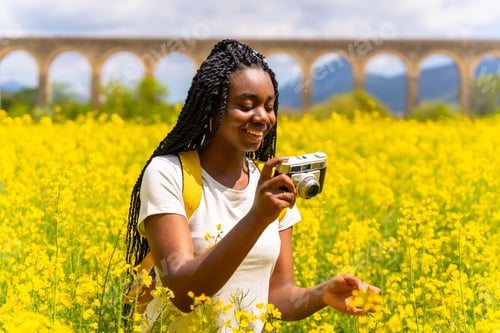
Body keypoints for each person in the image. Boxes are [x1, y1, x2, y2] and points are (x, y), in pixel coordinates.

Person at [125, 39, 381, 332]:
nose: (262, 117)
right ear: (212, 109)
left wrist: (320, 294)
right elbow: (183, 293)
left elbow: (276, 296)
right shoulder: (169, 174)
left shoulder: (270, 185)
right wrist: (257, 218)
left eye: (269, 107)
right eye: (246, 106)